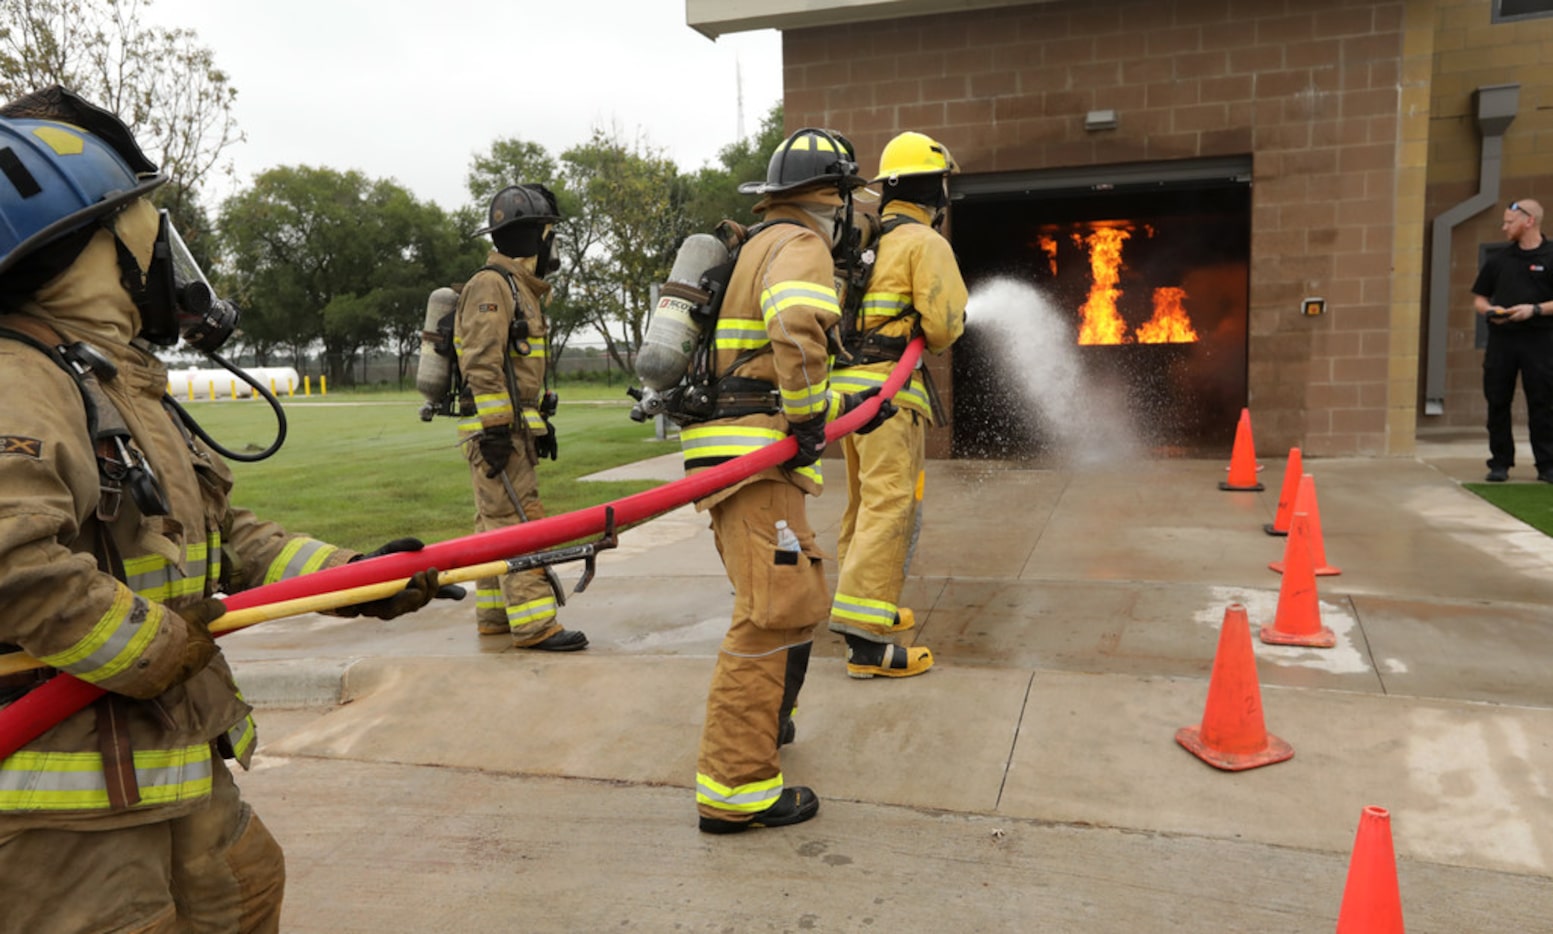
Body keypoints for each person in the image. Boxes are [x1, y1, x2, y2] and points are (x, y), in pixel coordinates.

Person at [0, 86, 453, 932]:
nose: (166, 249)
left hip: (166, 768)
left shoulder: (109, 378)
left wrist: (352, 580)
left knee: (250, 890)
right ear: (89, 244)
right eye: (141, 223)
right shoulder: (17, 382)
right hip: (66, 815)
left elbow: (219, 539)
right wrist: (161, 646)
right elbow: (14, 565)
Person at [685, 128, 890, 833]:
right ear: (829, 197)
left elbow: (769, 362)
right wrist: (809, 417)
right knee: (770, 613)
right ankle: (734, 788)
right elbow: (796, 330)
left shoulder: (755, 245)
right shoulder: (798, 245)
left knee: (786, 599)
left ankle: (762, 738)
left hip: (735, 451)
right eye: (847, 199)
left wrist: (841, 407)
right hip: (756, 456)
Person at [826, 131, 967, 678]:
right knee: (892, 505)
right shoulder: (925, 243)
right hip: (889, 400)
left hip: (851, 399)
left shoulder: (868, 240)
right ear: (935, 191)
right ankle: (866, 644)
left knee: (863, 505)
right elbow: (943, 326)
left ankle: (864, 607)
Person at [455, 185, 587, 650]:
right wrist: (494, 431)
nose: (553, 246)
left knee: (492, 522)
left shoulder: (515, 287)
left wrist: (533, 425)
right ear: (538, 235)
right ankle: (535, 625)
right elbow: (483, 361)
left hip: (510, 429)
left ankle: (495, 616)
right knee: (518, 523)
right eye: (551, 235)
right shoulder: (492, 285)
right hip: (498, 434)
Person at [1471, 198, 1553, 483]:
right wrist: (1490, 310)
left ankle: (1547, 465)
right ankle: (1500, 462)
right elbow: (1480, 299)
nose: (1504, 227)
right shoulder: (1498, 261)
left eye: (1509, 222)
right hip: (1502, 341)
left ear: (1529, 221)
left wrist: (1536, 309)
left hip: (1541, 341)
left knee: (1543, 402)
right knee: (1497, 400)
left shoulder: (1551, 255)